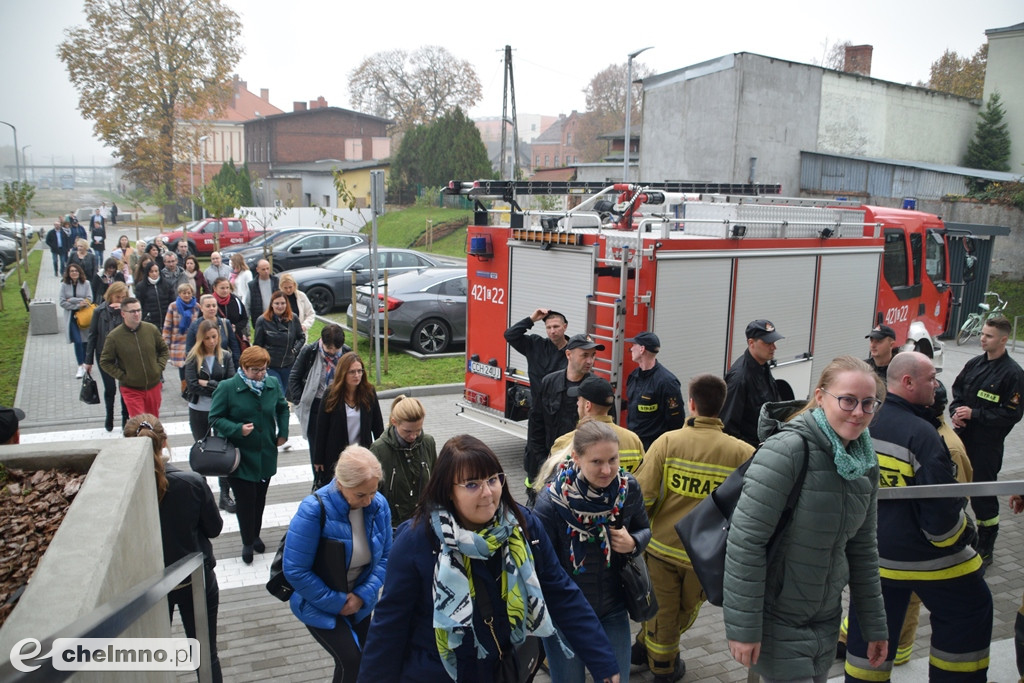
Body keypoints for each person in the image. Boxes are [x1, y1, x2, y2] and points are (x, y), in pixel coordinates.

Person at [356, 435, 622, 683]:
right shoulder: (417, 540)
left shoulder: (522, 526)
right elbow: (389, 627)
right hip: (438, 672)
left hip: (500, 669)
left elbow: (562, 594)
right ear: (448, 490)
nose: (487, 493)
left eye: (493, 479)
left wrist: (602, 661)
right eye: (472, 484)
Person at [723, 356, 888, 679]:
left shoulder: (863, 461)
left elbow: (863, 549)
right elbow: (746, 544)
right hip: (775, 622)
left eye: (869, 403)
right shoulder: (788, 451)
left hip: (825, 621)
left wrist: (873, 625)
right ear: (820, 396)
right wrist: (743, 628)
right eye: (848, 400)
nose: (858, 412)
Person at [845, 352, 991, 680]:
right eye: (931, 378)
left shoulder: (862, 423)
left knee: (869, 637)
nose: (937, 385)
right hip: (930, 563)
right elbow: (940, 522)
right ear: (908, 382)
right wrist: (967, 531)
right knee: (971, 610)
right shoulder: (923, 436)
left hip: (873, 563)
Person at [631, 374, 754, 681]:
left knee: (663, 613)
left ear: (691, 404)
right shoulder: (743, 453)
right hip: (705, 557)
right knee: (681, 613)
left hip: (661, 548)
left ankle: (663, 668)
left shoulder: (667, 442)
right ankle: (653, 652)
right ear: (721, 406)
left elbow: (642, 497)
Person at [535, 419, 651, 683]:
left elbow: (645, 529)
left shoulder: (627, 489)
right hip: (567, 616)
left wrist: (633, 543)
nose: (607, 470)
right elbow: (542, 568)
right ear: (576, 457)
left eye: (613, 459)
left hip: (612, 608)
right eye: (597, 462)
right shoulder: (551, 503)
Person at [124, 414, 223, 682]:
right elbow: (214, 529)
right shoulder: (191, 482)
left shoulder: (124, 491)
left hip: (149, 587)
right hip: (194, 582)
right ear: (164, 442)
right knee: (206, 655)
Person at [284, 445, 392, 683]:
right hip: (317, 603)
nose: (369, 501)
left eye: (373, 492)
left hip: (360, 602)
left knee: (366, 661)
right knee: (351, 660)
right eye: (361, 495)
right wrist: (338, 602)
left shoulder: (379, 505)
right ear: (341, 483)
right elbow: (295, 570)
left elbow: (386, 556)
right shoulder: (313, 510)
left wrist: (362, 595)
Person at [949, 315, 1024, 568]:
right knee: (955, 489)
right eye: (982, 333)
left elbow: (1011, 414)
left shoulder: (1013, 374)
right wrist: (956, 413)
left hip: (986, 446)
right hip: (962, 440)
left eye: (988, 336)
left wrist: (975, 414)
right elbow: (957, 393)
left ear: (1003, 340)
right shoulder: (973, 364)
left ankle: (986, 544)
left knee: (983, 496)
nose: (982, 338)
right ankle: (958, 536)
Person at [209, 345, 289, 564]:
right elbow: (215, 418)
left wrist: (283, 432)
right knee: (245, 501)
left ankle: (255, 534)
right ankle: (247, 541)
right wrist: (238, 429)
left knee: (259, 499)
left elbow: (282, 408)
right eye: (255, 370)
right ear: (243, 367)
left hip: (265, 455)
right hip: (239, 457)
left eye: (263, 369)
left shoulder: (271, 384)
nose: (261, 374)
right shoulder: (227, 387)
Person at [524, 333, 601, 501]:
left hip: (580, 471)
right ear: (568, 354)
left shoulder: (596, 388)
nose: (590, 361)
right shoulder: (549, 382)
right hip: (547, 464)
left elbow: (604, 431)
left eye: (593, 356)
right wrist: (541, 464)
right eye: (585, 355)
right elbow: (536, 426)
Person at [184, 319, 237, 514]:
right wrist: (217, 386)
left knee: (223, 450)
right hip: (199, 410)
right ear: (201, 339)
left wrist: (208, 384)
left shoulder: (226, 356)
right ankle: (203, 494)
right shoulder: (193, 357)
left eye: (214, 337)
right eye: (207, 338)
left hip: (220, 410)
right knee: (202, 449)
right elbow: (192, 385)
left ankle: (225, 494)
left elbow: (230, 383)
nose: (211, 341)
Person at [547, 375, 646, 474]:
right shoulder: (634, 440)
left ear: (587, 405)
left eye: (579, 400)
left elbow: (550, 481)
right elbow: (642, 479)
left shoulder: (565, 442)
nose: (577, 404)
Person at [312, 352, 384, 486]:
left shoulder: (369, 393)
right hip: (336, 456)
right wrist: (318, 459)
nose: (357, 375)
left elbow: (378, 426)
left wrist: (382, 453)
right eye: (352, 372)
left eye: (359, 371)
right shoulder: (331, 394)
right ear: (343, 373)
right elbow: (322, 429)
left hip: (362, 454)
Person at [288, 325, 350, 480]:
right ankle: (319, 480)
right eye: (329, 348)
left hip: (339, 406)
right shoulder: (310, 352)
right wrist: (300, 402)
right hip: (315, 406)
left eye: (336, 349)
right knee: (317, 448)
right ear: (322, 341)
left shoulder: (347, 354)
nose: (332, 352)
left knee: (339, 445)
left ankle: (339, 479)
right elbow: (294, 377)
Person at [370, 395, 438, 529]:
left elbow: (436, 481)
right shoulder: (379, 449)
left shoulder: (428, 443)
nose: (413, 436)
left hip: (425, 523)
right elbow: (372, 494)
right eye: (407, 431)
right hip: (393, 527)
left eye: (418, 430)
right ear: (394, 422)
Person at [100, 297, 169, 417]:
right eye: (132, 311)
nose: (136, 314)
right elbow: (105, 362)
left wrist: (159, 368)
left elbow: (163, 350)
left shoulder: (151, 329)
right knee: (140, 423)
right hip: (131, 388)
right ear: (123, 314)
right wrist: (123, 376)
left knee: (153, 421)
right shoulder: (114, 337)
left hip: (153, 385)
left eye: (138, 310)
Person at [721, 319, 784, 447]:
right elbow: (728, 429)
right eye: (768, 342)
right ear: (751, 343)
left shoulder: (763, 367)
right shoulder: (739, 379)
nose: (774, 347)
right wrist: (753, 450)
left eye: (774, 342)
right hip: (750, 455)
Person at [625, 332, 685, 450]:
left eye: (634, 345)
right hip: (633, 443)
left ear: (642, 349)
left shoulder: (667, 382)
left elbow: (676, 421)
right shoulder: (633, 376)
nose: (631, 348)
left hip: (654, 448)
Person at [84, 281, 131, 432]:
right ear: (110, 296)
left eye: (123, 297)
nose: (120, 300)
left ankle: (125, 418)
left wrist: (124, 312)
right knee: (110, 388)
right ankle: (109, 416)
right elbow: (92, 335)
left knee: (124, 386)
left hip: (123, 355)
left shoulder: (128, 310)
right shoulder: (99, 311)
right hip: (104, 354)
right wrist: (88, 360)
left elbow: (135, 328)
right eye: (118, 297)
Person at [504, 308, 569, 406]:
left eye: (556, 326)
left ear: (565, 327)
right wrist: (531, 319)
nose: (552, 331)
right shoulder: (536, 345)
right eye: (548, 327)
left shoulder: (575, 350)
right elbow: (510, 335)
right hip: (538, 409)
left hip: (563, 411)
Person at [253, 290, 305, 389]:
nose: (280, 306)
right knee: (278, 391)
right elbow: (257, 345)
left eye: (283, 303)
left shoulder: (293, 318)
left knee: (284, 393)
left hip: (288, 364)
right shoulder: (262, 320)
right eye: (277, 303)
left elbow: (301, 337)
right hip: (270, 365)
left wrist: (294, 350)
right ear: (272, 304)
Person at [186, 294, 241, 370]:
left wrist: (236, 367)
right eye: (208, 306)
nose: (211, 308)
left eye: (214, 306)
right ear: (201, 308)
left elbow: (234, 347)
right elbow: (189, 351)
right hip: (202, 367)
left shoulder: (225, 323)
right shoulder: (195, 325)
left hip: (223, 367)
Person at [59, 262, 94, 379]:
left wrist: (73, 300)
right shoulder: (64, 285)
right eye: (71, 271)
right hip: (71, 317)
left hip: (84, 316)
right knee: (78, 341)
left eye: (76, 271)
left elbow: (89, 299)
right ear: (68, 273)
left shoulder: (86, 283)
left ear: (79, 272)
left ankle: (86, 364)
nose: (74, 273)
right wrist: (78, 304)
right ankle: (80, 365)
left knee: (85, 342)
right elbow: (62, 302)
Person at [163, 282, 198, 395]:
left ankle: (192, 387)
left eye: (189, 293)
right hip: (178, 341)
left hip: (193, 342)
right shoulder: (173, 306)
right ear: (179, 294)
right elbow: (168, 325)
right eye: (184, 293)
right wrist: (165, 342)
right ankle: (185, 388)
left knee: (193, 365)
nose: (187, 295)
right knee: (182, 366)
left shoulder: (197, 306)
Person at [135, 259, 176, 327]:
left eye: (156, 271)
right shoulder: (141, 286)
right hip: (150, 321)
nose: (154, 273)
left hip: (166, 319)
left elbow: (172, 301)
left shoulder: (167, 284)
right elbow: (140, 303)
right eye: (151, 271)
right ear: (148, 272)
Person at [212, 277, 249, 352]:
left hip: (235, 339)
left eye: (227, 288)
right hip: (215, 340)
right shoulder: (210, 302)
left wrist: (236, 327)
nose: (225, 291)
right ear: (215, 288)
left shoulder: (236, 300)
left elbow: (244, 319)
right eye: (222, 288)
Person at [247, 259, 279, 331]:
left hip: (276, 318)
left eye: (268, 268)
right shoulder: (252, 285)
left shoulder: (276, 281)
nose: (266, 271)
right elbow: (248, 305)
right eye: (263, 269)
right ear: (257, 270)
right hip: (260, 319)